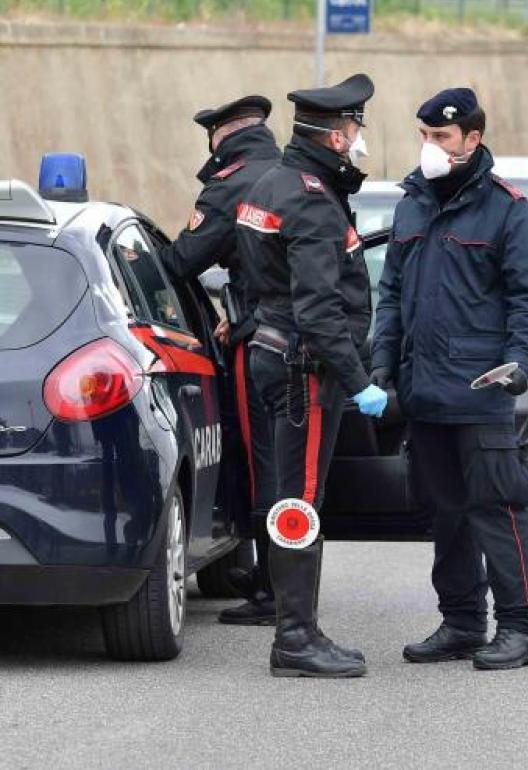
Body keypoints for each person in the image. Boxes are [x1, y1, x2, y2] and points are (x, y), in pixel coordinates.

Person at [371, 87, 528, 671]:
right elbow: (392, 293)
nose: (430, 148)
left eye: (441, 138)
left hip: (482, 392)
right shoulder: (412, 203)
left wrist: (519, 364)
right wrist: (383, 363)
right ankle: (462, 621)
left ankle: (520, 627)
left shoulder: (510, 211)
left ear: (472, 139)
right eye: (423, 136)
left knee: (497, 507)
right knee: (444, 514)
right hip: (424, 393)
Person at [235, 73, 387, 678]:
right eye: (354, 128)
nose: (357, 139)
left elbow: (251, 276)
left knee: (284, 496)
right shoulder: (312, 201)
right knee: (299, 503)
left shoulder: (271, 182)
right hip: (304, 370)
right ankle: (295, 639)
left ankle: (297, 628)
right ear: (334, 134)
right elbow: (320, 309)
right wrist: (359, 380)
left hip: (271, 353)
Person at [157, 94, 283, 627]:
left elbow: (185, 258)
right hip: (289, 334)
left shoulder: (231, 183)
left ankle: (275, 591)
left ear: (221, 134)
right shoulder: (286, 172)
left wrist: (146, 263)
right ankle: (273, 578)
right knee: (287, 461)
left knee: (265, 465)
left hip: (261, 341)